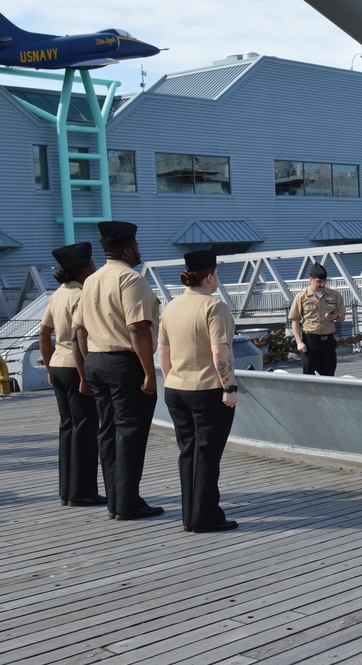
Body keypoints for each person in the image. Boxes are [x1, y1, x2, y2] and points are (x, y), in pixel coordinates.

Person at [72, 221, 163, 521]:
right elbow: (137, 329)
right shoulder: (131, 280)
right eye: (136, 246)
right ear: (127, 249)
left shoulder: (91, 281)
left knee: (108, 432)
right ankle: (128, 504)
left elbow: (80, 332)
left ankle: (115, 500)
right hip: (125, 363)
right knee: (130, 434)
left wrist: (88, 363)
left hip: (96, 360)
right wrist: (149, 373)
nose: (138, 250)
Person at [157, 250, 239, 533]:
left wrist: (172, 379)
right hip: (207, 389)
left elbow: (163, 352)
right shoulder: (214, 307)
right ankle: (204, 516)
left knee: (188, 452)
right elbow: (220, 351)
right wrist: (229, 387)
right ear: (209, 277)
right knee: (207, 455)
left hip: (176, 388)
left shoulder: (171, 307)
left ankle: (190, 514)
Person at [39, 242, 104, 507]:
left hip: (58, 363)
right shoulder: (81, 295)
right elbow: (80, 337)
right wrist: (85, 376)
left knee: (68, 427)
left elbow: (44, 333)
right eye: (91, 263)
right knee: (86, 429)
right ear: (83, 269)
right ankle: (82, 491)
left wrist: (47, 365)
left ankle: (67, 489)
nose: (94, 267)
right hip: (76, 366)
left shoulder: (57, 294)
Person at [289, 263, 345, 376]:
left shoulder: (334, 295)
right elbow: (295, 321)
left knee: (329, 374)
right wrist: (299, 342)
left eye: (324, 281)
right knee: (309, 376)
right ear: (311, 279)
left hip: (328, 341)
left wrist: (336, 317)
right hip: (311, 342)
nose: (322, 284)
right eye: (319, 281)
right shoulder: (301, 297)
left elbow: (342, 317)